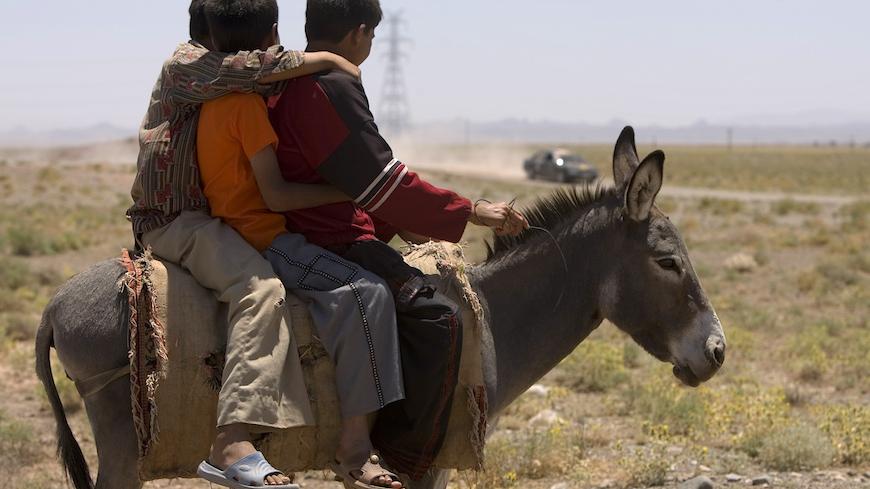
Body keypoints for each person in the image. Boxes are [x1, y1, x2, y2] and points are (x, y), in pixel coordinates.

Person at [266, 0, 528, 481]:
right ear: (359, 33)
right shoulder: (331, 85)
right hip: (330, 239)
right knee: (438, 319)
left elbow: (351, 179)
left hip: (317, 227)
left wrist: (399, 218)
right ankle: (403, 459)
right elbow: (380, 180)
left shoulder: (288, 81)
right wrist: (472, 210)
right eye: (371, 38)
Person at [128, 1, 382, 487]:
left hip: (202, 217)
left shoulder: (224, 81)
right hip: (174, 221)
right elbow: (256, 64)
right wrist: (331, 61)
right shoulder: (187, 65)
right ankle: (230, 442)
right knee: (260, 290)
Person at [193, 1, 405, 488]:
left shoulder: (207, 94)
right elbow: (277, 194)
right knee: (368, 293)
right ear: (272, 35)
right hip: (266, 238)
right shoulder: (248, 106)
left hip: (234, 228)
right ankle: (355, 448)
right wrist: (356, 188)